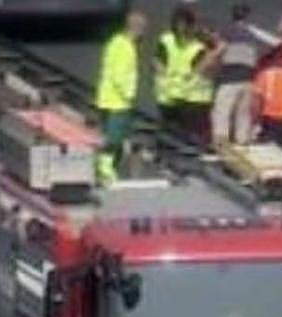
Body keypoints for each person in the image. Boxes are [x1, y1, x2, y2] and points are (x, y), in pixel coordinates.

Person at [94, 9, 148, 183]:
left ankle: (107, 168)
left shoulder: (115, 42)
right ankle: (105, 169)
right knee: (115, 138)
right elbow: (121, 74)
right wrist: (129, 94)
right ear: (137, 28)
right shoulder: (126, 47)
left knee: (111, 136)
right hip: (119, 101)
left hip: (107, 98)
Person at [156, 5, 220, 142]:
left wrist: (166, 77)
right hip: (192, 100)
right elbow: (206, 69)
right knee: (190, 140)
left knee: (169, 135)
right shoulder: (198, 47)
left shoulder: (166, 40)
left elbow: (157, 62)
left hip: (169, 96)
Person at [210, 3, 270, 146]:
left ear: (233, 15)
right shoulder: (252, 34)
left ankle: (221, 144)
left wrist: (207, 62)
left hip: (230, 79)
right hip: (248, 81)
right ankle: (242, 145)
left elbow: (220, 49)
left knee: (222, 113)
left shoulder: (228, 30)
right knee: (243, 116)